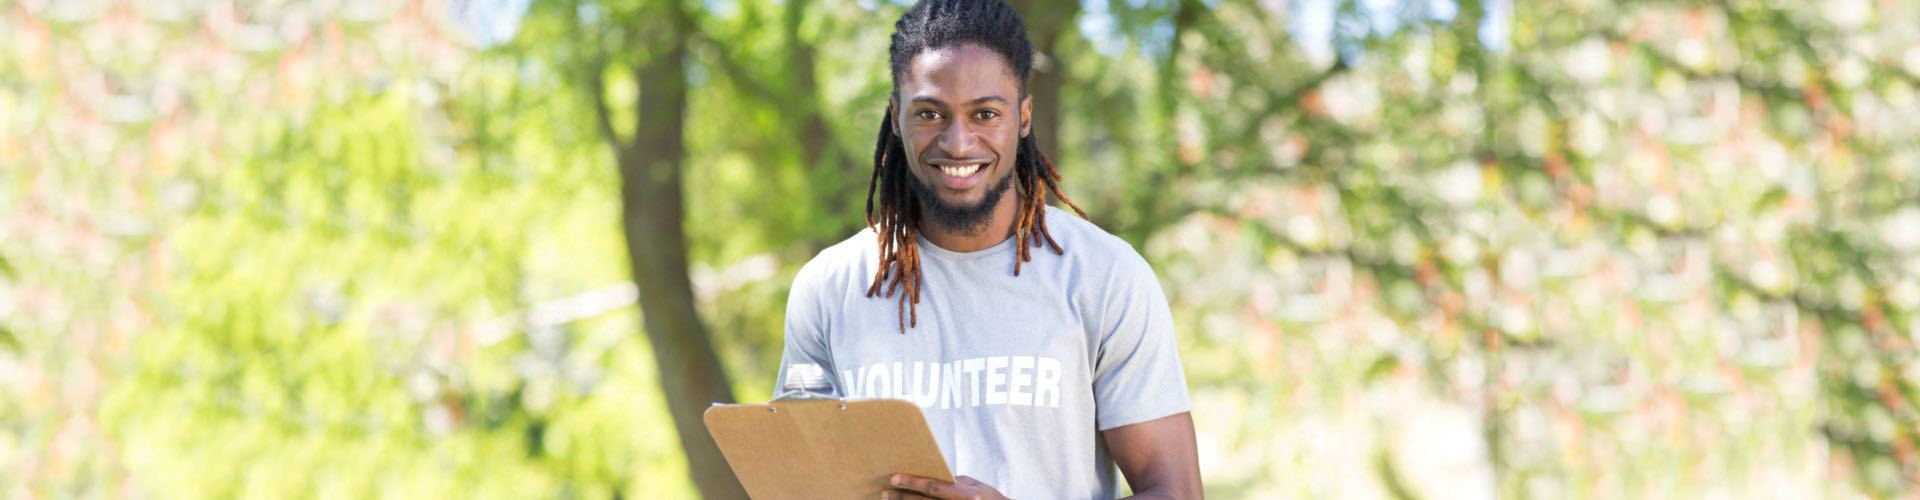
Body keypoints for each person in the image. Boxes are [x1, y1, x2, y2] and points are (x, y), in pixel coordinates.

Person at [774, 1, 1201, 498]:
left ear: (1022, 117)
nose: (958, 143)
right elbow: (798, 483)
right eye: (930, 113)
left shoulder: (1104, 277)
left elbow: (1176, 491)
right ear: (896, 117)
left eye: (985, 113)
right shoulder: (830, 288)